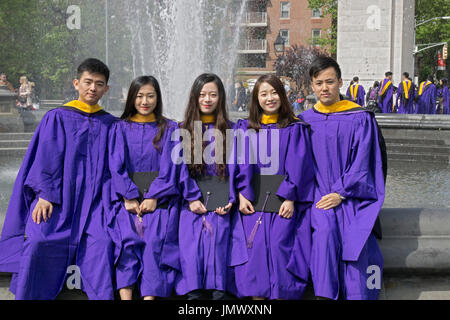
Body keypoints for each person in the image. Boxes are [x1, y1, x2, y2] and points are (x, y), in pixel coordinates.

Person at [0, 58, 117, 300]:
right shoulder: (58, 117)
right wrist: (44, 195)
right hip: (58, 200)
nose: (92, 88)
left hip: (94, 204)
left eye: (99, 84)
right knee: (38, 241)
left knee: (103, 243)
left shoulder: (110, 124)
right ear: (76, 83)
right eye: (87, 82)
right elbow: (45, 158)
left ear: (106, 89)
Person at [300, 56, 385, 300]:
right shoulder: (305, 121)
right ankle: (324, 295)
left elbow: (363, 163)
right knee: (324, 229)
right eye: (318, 83)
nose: (324, 88)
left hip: (353, 195)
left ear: (340, 82)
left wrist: (341, 192)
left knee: (355, 234)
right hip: (318, 194)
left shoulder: (359, 118)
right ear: (312, 86)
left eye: (329, 82)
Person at [230, 74, 314, 300]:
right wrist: (239, 193)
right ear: (256, 99)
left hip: (282, 202)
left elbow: (298, 164)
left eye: (274, 92)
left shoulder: (294, 128)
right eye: (263, 94)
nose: (269, 98)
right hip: (252, 201)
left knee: (280, 248)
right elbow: (238, 163)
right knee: (254, 252)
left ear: (283, 95)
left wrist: (289, 197)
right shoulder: (246, 129)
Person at [164, 73, 246, 300]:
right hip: (189, 205)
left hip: (222, 207)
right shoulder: (181, 130)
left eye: (213, 94)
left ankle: (220, 292)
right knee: (191, 252)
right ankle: (192, 294)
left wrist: (230, 199)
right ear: (194, 97)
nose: (207, 99)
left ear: (220, 97)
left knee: (219, 245)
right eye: (202, 94)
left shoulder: (232, 130)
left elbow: (237, 166)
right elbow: (177, 169)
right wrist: (191, 198)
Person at [107, 76, 180, 300]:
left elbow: (170, 168)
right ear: (131, 98)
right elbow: (115, 165)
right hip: (126, 199)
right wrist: (128, 196)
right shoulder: (120, 127)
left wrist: (154, 197)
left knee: (154, 242)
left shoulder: (169, 128)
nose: (145, 101)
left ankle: (150, 297)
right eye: (139, 96)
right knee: (125, 241)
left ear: (158, 98)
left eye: (150, 95)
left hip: (159, 201)